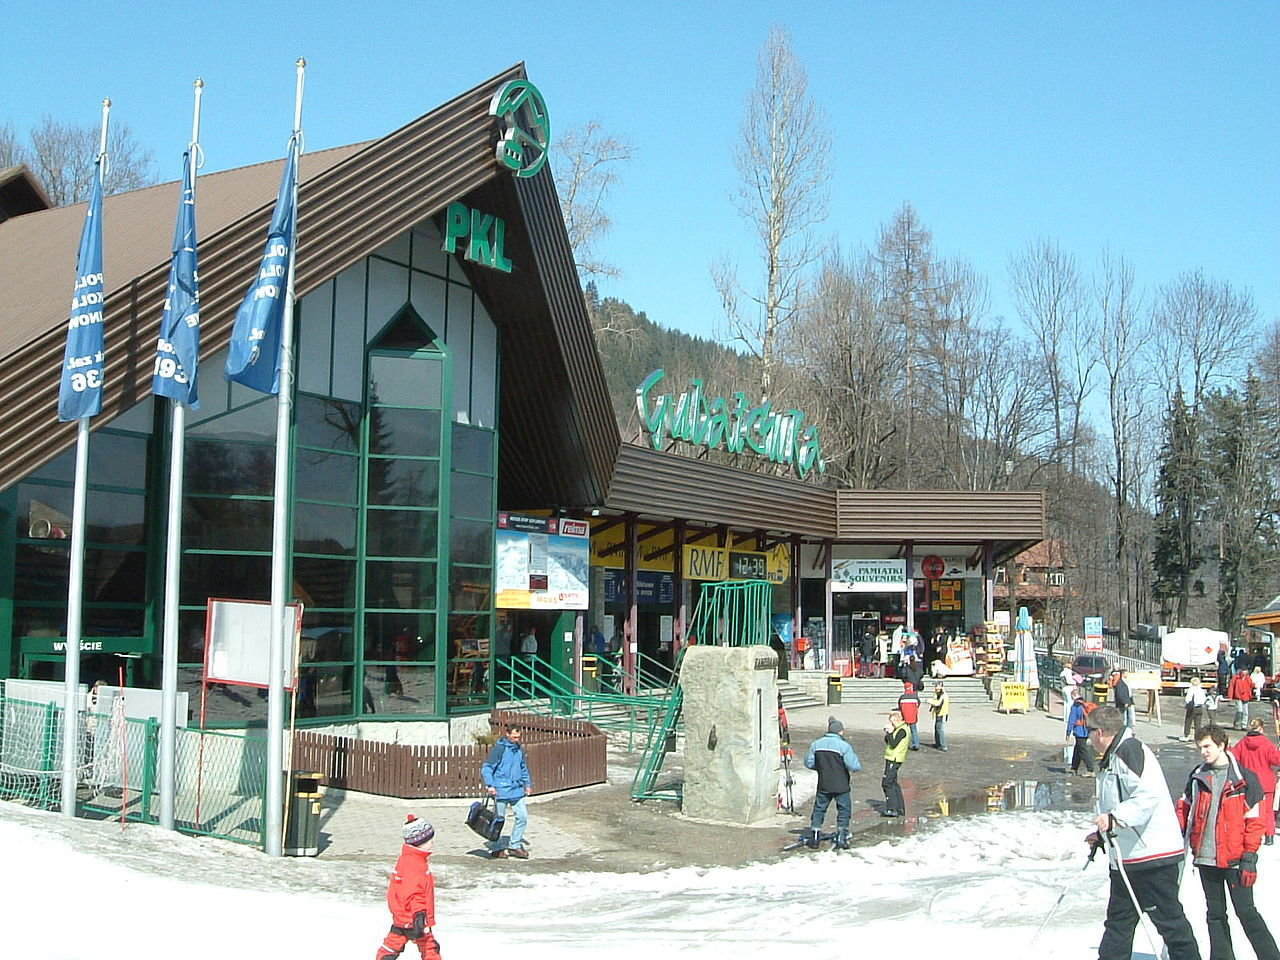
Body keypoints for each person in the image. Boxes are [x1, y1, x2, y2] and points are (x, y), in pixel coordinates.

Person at [1085, 706, 1201, 960]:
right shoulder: (1114, 755)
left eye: (1089, 730)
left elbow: (1147, 797)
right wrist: (1102, 832)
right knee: (1119, 923)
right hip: (1128, 858)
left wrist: (1115, 819)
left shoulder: (1129, 751)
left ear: (1101, 732)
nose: (1086, 737)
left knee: (1170, 923)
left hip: (1152, 857)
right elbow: (1119, 800)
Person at [1177, 724, 1278, 960]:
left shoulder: (1243, 779)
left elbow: (1255, 822)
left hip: (1235, 859)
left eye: (1207, 746)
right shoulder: (1197, 776)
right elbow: (1185, 809)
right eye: (1200, 747)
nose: (1203, 752)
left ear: (1222, 745)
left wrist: (1249, 858)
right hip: (1206, 858)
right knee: (1214, 914)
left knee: (1246, 912)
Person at [374, 814, 441, 960]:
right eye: (429, 840)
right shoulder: (415, 864)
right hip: (415, 918)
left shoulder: (407, 858)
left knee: (392, 945)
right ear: (418, 842)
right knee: (429, 946)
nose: (432, 843)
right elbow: (413, 892)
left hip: (402, 916)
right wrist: (419, 915)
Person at [803, 716, 862, 849]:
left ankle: (815, 835)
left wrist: (821, 768)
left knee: (819, 808)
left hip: (824, 783)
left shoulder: (816, 744)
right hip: (841, 784)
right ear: (840, 732)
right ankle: (842, 836)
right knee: (843, 810)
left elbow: (808, 762)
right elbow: (854, 766)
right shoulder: (844, 746)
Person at [481, 722, 532, 859]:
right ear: (507, 734)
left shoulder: (519, 749)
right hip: (501, 790)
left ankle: (514, 845)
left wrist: (527, 784)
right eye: (514, 737)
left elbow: (523, 768)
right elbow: (487, 768)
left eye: (518, 737)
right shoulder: (499, 749)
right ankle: (497, 848)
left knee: (522, 817)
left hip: (516, 789)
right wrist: (490, 785)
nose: (517, 739)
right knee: (498, 820)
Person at [1234, 717, 1280, 847]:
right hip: (1266, 782)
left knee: (1249, 809)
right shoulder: (1267, 743)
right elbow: (1277, 760)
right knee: (1268, 810)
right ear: (1261, 728)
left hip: (1248, 782)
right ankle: (1269, 835)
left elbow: (1234, 757)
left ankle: (1248, 834)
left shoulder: (1242, 743)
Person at [881, 709, 909, 817]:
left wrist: (890, 732)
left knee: (887, 783)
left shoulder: (902, 730)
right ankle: (900, 808)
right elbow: (889, 741)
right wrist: (889, 734)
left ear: (897, 720)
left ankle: (892, 808)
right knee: (893, 783)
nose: (891, 724)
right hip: (893, 758)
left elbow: (893, 743)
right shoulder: (900, 729)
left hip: (894, 759)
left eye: (892, 722)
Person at [1067, 694, 1095, 777]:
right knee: (1077, 750)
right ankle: (1074, 767)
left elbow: (1072, 719)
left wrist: (1068, 732)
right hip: (1086, 730)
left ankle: (1090, 769)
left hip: (1079, 731)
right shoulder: (1085, 704)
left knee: (1083, 751)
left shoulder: (1075, 706)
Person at [1183, 676, 1208, 742]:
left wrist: (1187, 704)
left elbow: (1187, 699)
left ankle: (1186, 735)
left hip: (1192, 707)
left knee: (1188, 721)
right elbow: (1204, 699)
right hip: (1199, 708)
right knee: (1198, 723)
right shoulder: (1201, 690)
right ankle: (1197, 737)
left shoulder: (1191, 689)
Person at [898, 681, 922, 750]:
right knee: (914, 730)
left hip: (904, 716)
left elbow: (899, 706)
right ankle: (916, 744)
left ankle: (903, 744)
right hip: (913, 716)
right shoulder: (915, 697)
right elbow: (918, 704)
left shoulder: (902, 697)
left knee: (904, 730)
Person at [929, 682, 950, 751]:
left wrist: (931, 701)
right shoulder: (938, 694)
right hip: (938, 714)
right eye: (935, 687)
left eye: (937, 686)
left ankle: (943, 745)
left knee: (940, 729)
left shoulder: (943, 695)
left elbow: (938, 703)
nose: (935, 688)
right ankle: (938, 743)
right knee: (937, 729)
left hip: (942, 714)